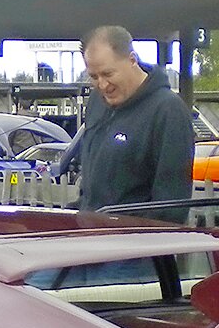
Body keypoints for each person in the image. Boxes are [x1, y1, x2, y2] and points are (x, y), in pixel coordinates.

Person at [67, 25, 193, 219]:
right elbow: (89, 189)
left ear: (132, 60)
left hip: (134, 243)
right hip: (91, 239)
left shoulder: (168, 111)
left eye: (108, 74)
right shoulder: (96, 102)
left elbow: (171, 206)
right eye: (94, 76)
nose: (102, 85)